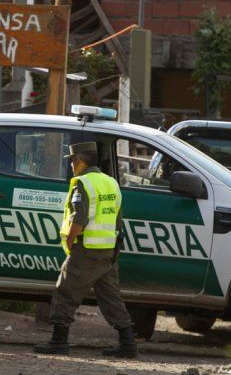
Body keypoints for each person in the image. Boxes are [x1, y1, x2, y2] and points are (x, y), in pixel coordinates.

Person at [34, 141, 138, 358]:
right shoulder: (111, 183)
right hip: (108, 251)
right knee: (111, 297)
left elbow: (78, 220)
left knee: (65, 290)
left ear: (79, 161)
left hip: (87, 249)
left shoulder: (83, 183)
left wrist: (70, 242)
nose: (71, 166)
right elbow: (118, 220)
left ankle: (58, 340)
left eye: (72, 161)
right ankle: (128, 344)